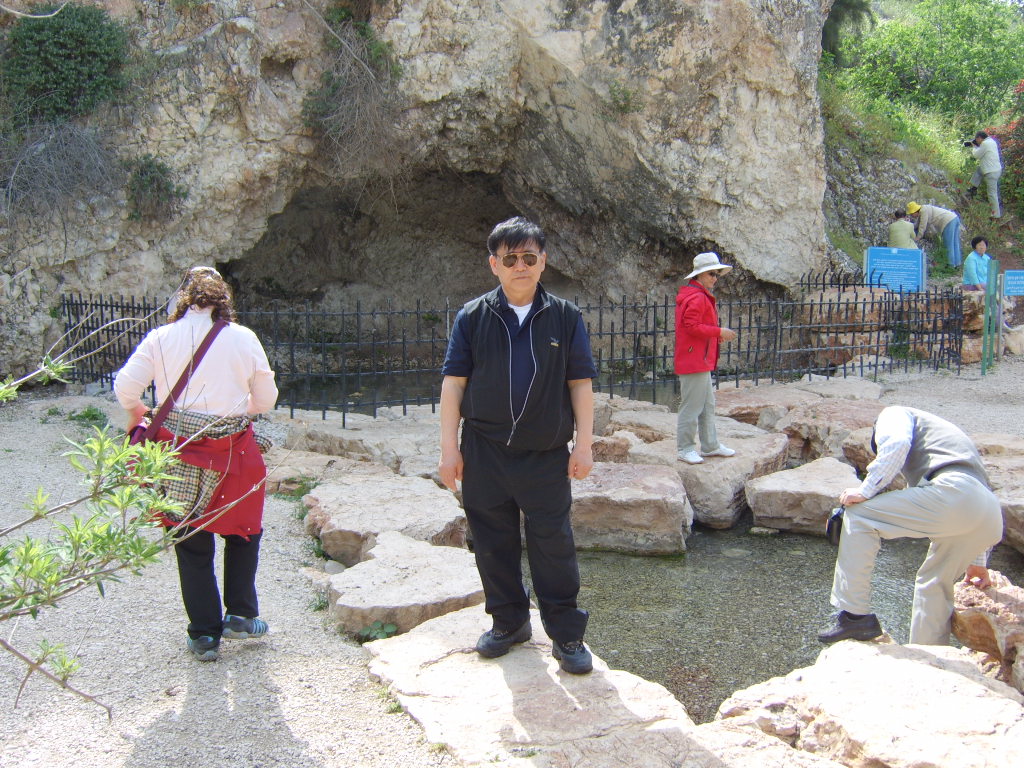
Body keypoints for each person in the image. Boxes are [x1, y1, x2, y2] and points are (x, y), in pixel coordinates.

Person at [438, 217, 597, 675]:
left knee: (553, 544)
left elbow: (580, 384)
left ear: (543, 261)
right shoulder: (473, 316)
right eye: (510, 259)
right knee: (491, 541)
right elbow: (453, 384)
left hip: (545, 453)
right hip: (484, 449)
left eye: (529, 257)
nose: (520, 266)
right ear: (495, 265)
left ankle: (565, 634)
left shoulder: (565, 317)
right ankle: (509, 622)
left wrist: (584, 445)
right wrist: (449, 450)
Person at [114, 266, 278, 662]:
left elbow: (125, 388)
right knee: (244, 529)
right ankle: (240, 614)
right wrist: (234, 408)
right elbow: (266, 400)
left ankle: (204, 635)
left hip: (178, 447)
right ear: (224, 300)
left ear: (183, 299)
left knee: (189, 537)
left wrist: (139, 412)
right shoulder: (243, 337)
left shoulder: (161, 337)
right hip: (233, 448)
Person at [818, 406, 1003, 646]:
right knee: (933, 582)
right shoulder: (944, 434)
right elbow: (972, 501)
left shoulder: (893, 413)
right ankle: (930, 654)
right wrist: (977, 563)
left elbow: (897, 444)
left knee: (858, 515)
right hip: (989, 513)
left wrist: (865, 490)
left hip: (953, 494)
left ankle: (854, 617)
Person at [674, 252, 737, 465]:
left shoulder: (697, 294)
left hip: (698, 358)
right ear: (700, 275)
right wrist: (718, 332)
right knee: (692, 406)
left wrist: (715, 334)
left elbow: (694, 326)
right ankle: (685, 448)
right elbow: (691, 326)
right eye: (712, 274)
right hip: (694, 359)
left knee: (707, 404)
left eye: (717, 274)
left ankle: (710, 445)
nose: (715, 278)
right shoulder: (697, 297)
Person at [906, 202, 962, 268]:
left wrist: (917, 238)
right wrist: (907, 226)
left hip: (948, 221)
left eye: (911, 214)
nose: (911, 216)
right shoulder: (923, 209)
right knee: (955, 243)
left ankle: (950, 265)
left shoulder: (923, 211)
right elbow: (917, 224)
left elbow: (922, 227)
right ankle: (957, 264)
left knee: (948, 244)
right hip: (954, 218)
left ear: (915, 211)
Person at [966, 131, 1002, 219]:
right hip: (995, 169)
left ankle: (996, 215)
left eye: (976, 140)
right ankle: (973, 189)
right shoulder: (991, 141)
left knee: (992, 194)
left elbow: (976, 155)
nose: (976, 142)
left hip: (991, 172)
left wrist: (974, 146)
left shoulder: (985, 144)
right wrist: (977, 146)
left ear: (979, 138)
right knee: (979, 170)